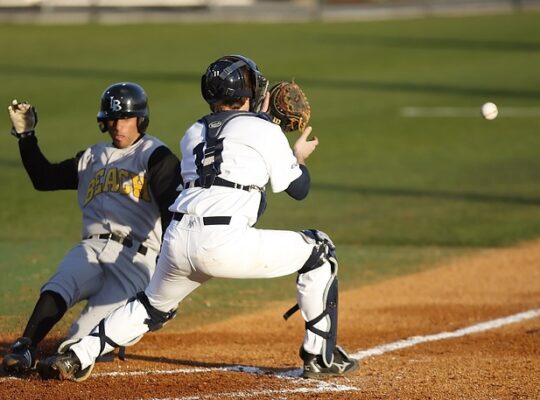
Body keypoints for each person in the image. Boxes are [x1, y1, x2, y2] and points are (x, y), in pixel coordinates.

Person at [37, 55, 358, 382]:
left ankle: (78, 354)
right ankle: (320, 355)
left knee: (151, 307)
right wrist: (297, 157)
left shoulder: (193, 132)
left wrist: (262, 128)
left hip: (177, 238)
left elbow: (234, 172)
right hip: (225, 242)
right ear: (247, 91)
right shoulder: (265, 130)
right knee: (320, 250)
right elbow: (299, 189)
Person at [2, 82, 182, 376]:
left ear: (140, 119)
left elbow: (171, 208)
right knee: (62, 283)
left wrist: (168, 271)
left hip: (134, 261)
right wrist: (26, 137)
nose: (117, 126)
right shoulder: (91, 157)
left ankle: (71, 356)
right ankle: (25, 347)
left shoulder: (155, 155)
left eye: (125, 118)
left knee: (78, 342)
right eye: (112, 120)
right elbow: (43, 178)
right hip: (92, 248)